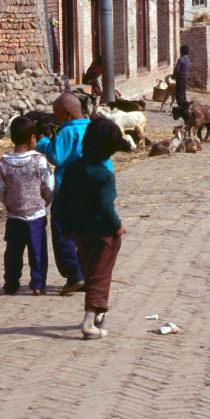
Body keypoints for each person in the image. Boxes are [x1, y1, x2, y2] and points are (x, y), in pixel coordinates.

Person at [54, 117, 125, 340]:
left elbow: (62, 199)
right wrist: (118, 227)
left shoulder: (73, 169)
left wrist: (66, 227)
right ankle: (89, 321)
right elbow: (105, 207)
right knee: (99, 275)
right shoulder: (105, 176)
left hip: (80, 232)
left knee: (89, 270)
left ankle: (96, 315)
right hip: (103, 233)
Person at [37, 93, 112, 295]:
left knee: (64, 233)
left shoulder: (67, 132)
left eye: (57, 116)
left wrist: (43, 143)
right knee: (87, 234)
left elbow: (57, 157)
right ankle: (88, 273)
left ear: (66, 115)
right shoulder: (95, 128)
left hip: (69, 192)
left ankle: (74, 275)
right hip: (94, 192)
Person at [0, 116, 54, 295]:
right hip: (36, 215)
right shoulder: (40, 161)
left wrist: (9, 203)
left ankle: (11, 283)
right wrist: (45, 202)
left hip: (14, 216)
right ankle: (37, 284)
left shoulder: (4, 163)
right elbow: (49, 186)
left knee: (12, 252)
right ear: (32, 138)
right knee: (38, 251)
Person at [173, 44, 192, 110]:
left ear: (181, 51)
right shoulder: (188, 59)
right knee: (183, 92)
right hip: (185, 78)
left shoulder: (181, 59)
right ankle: (184, 105)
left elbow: (177, 70)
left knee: (179, 93)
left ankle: (181, 107)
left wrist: (173, 76)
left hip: (180, 78)